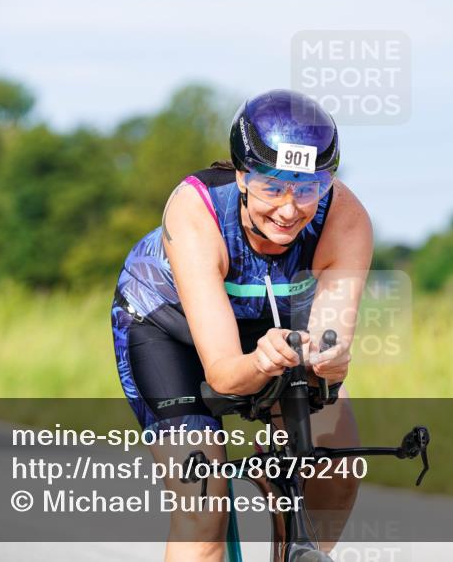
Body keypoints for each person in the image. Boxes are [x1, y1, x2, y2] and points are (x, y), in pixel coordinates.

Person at [110, 89, 372, 561]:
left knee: (334, 472)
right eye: (273, 187)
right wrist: (263, 362)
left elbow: (330, 350)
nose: (290, 210)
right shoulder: (195, 211)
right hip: (169, 330)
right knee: (203, 505)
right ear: (242, 175)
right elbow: (226, 374)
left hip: (272, 325)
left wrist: (329, 363)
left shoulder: (346, 219)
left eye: (308, 187)